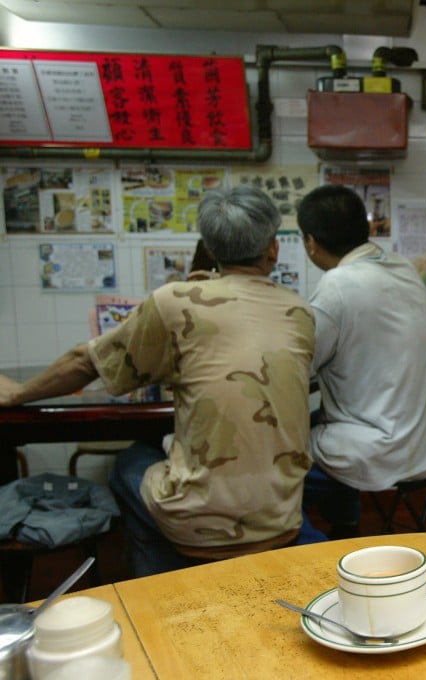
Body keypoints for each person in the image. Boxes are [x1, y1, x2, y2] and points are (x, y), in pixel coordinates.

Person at [0, 186, 318, 576]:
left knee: (129, 461)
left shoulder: (175, 301)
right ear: (274, 249)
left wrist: (18, 393)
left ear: (212, 250)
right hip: (282, 517)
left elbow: (87, 362)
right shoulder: (299, 310)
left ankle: (156, 583)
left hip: (200, 528)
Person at [297, 184, 426, 538]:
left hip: (378, 448)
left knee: (275, 467)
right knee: (320, 418)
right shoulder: (402, 269)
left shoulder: (337, 284)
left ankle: (312, 553)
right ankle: (345, 525)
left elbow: (300, 366)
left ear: (311, 242)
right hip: (421, 443)